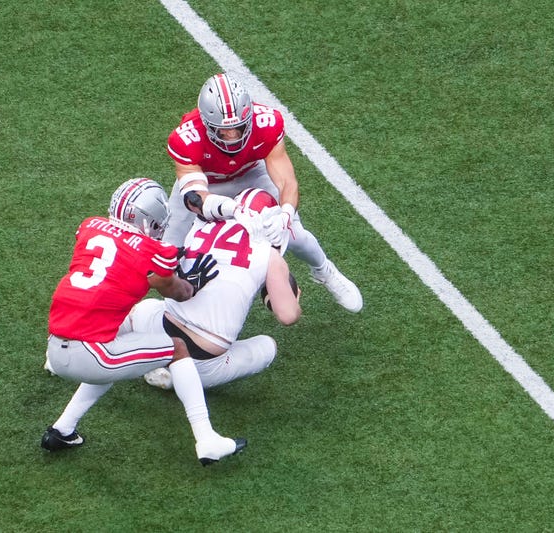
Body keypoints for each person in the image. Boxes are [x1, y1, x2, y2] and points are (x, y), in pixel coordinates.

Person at [42, 177, 246, 466]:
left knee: (114, 343)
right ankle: (207, 439)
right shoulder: (153, 252)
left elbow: (113, 268)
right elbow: (176, 291)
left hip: (56, 346)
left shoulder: (90, 227)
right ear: (147, 218)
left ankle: (62, 430)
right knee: (176, 348)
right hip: (89, 354)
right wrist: (190, 284)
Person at [163, 72, 363, 313]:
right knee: (168, 252)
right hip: (209, 183)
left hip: (251, 173)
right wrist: (232, 209)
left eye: (238, 128)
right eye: (223, 132)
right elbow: (195, 198)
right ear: (206, 124)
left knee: (294, 234)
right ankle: (177, 313)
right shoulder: (186, 137)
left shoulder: (266, 122)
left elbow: (287, 182)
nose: (232, 137)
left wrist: (286, 215)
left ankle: (324, 270)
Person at [128, 188, 302, 391]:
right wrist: (293, 299)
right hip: (203, 358)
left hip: (162, 327)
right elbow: (288, 315)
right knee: (267, 347)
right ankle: (178, 378)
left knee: (146, 307)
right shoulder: (270, 255)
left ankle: (131, 348)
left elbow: (192, 198)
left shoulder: (202, 224)